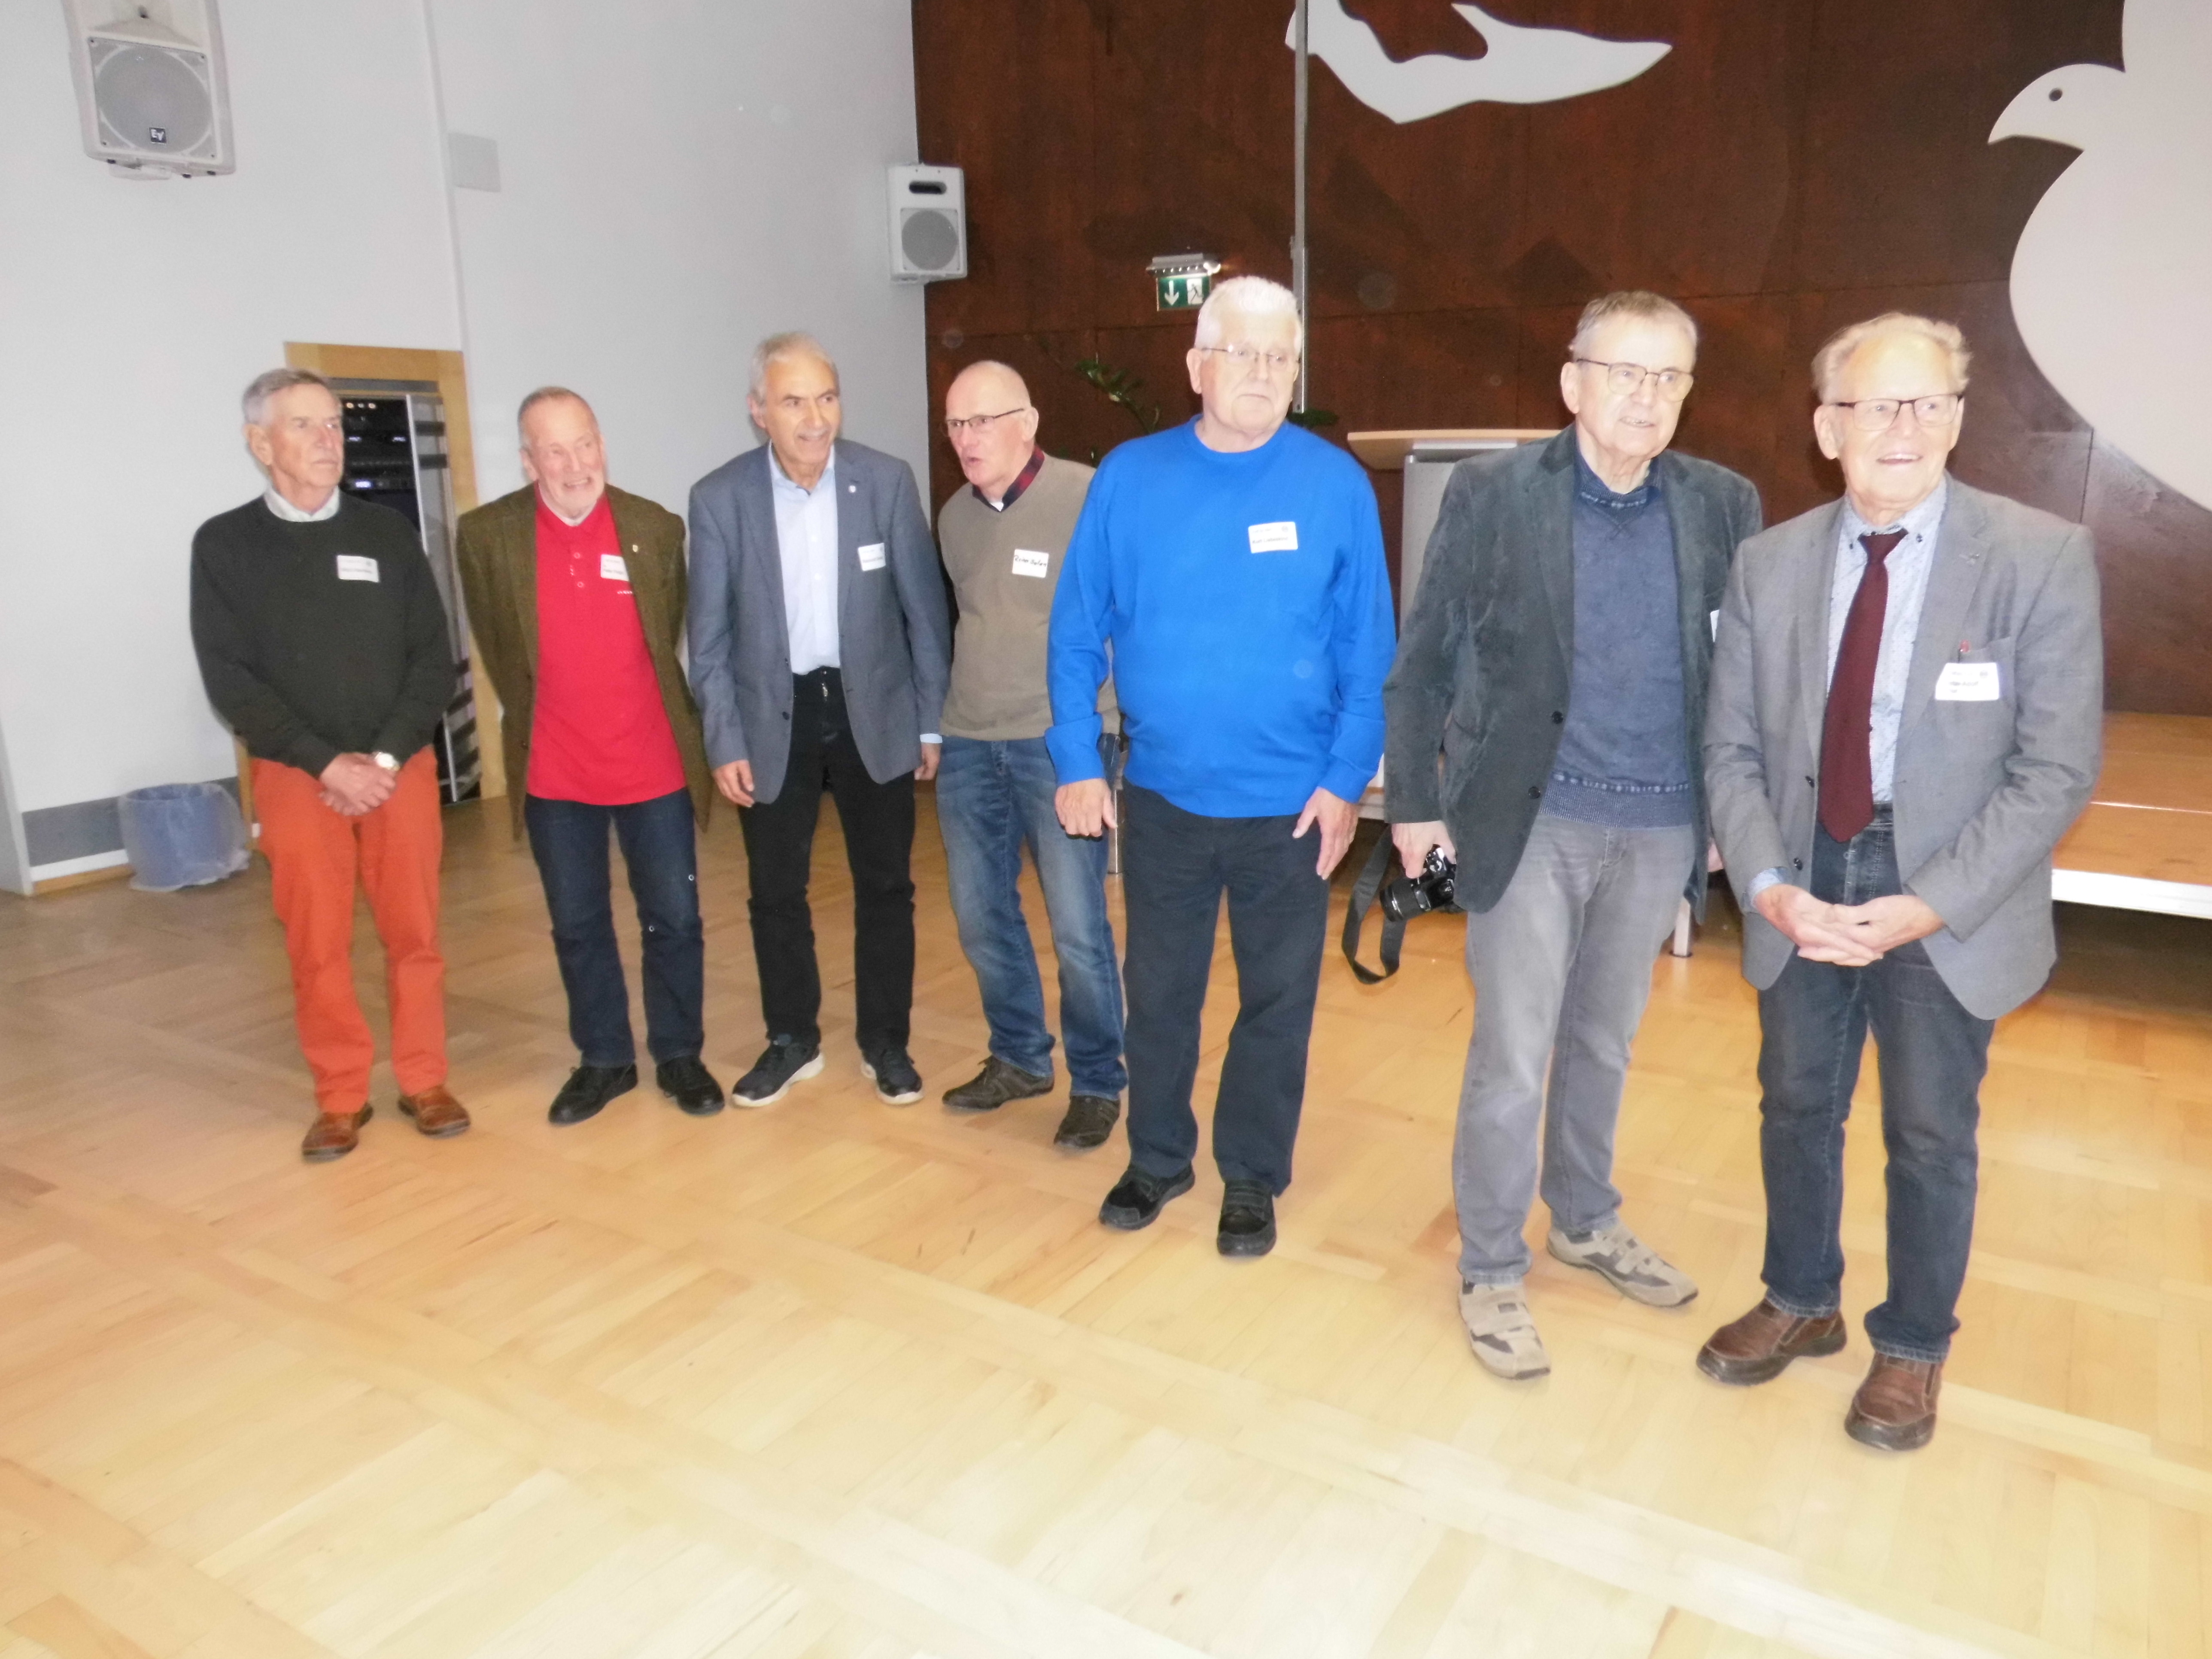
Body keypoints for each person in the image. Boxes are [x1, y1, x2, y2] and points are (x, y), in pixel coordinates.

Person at [1698, 313, 2103, 1449]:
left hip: (1946, 883)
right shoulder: (1768, 563)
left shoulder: (2037, 556)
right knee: (1795, 1101)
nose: (1904, 427)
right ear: (1828, 427)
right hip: (1803, 867)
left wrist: (1932, 902)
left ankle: (1914, 1344)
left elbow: (2056, 767)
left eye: (1928, 404)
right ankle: (1800, 1297)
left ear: (1958, 420)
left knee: (1928, 1129)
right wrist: (1767, 885)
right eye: (1876, 404)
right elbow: (1729, 749)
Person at [1386, 291, 1764, 1381]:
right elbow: (1425, 657)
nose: (1645, 396)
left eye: (1667, 377)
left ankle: (1585, 1219)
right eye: (1622, 372)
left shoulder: (1722, 503)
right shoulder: (1493, 494)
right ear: (1571, 383)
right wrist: (1412, 808)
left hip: (1660, 826)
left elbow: (1744, 676)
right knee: (1512, 1053)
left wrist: (1730, 817)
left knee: (1604, 1041)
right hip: (1529, 818)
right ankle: (1490, 1264)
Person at [1049, 275, 1395, 1258]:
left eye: (1282, 357)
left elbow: (1368, 648)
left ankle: (1251, 1173)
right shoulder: (1129, 477)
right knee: (1159, 994)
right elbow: (1074, 630)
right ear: (1196, 364)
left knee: (1276, 1002)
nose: (1263, 373)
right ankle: (1158, 1156)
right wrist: (1075, 757)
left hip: (1292, 808)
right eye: (1242, 353)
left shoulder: (1333, 485)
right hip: (1163, 798)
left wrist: (1346, 781)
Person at [189, 367, 468, 1161]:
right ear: (260, 442)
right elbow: (230, 680)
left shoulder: (387, 534)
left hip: (397, 766)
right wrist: (326, 764)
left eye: (335, 425)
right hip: (296, 774)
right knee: (316, 943)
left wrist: (381, 757)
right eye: (305, 425)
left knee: (415, 933)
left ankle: (425, 1079)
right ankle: (342, 1094)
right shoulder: (225, 545)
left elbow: (431, 658)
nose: (328, 440)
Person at [687, 333, 952, 1107]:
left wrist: (929, 723)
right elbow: (708, 641)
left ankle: (886, 1042)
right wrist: (724, 740)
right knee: (776, 891)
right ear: (759, 411)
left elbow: (924, 614)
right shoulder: (719, 498)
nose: (815, 418)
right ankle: (791, 1039)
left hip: (876, 707)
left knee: (887, 885)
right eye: (794, 401)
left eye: (827, 398)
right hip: (774, 716)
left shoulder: (886, 481)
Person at [455, 388, 723, 1126]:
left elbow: (668, 632)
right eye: (555, 450)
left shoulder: (655, 528)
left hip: (653, 764)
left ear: (602, 444)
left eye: (586, 444)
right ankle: (604, 1059)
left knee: (675, 918)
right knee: (577, 924)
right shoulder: (487, 537)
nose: (576, 465)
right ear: (528, 461)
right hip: (556, 771)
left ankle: (679, 1053)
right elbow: (501, 648)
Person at [934, 362, 1127, 1149]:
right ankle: (1019, 1057)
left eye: (982, 421)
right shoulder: (953, 517)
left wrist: (1104, 729)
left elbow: (1124, 616)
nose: (967, 438)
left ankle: (1099, 1079)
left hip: (1062, 743)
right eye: (955, 424)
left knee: (1079, 926)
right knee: (981, 916)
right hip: (970, 741)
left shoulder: (1087, 497)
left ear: (1028, 422)